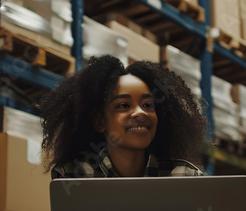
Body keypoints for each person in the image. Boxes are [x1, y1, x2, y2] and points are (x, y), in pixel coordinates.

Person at [39, 55, 208, 179]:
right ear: (100, 122)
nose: (140, 113)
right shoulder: (74, 175)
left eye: (148, 105)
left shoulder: (186, 177)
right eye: (123, 106)